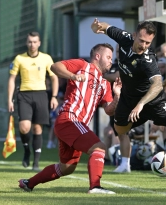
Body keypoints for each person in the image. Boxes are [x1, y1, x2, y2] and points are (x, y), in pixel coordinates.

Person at [18, 43, 121, 194]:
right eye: (108, 57)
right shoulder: (82, 65)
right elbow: (54, 67)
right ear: (97, 56)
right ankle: (95, 187)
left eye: (111, 58)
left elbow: (109, 111)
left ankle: (29, 183)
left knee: (66, 167)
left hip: (76, 125)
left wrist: (117, 95)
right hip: (70, 119)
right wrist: (73, 76)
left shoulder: (105, 84)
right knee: (99, 147)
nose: (111, 61)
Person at [8, 32, 59, 171]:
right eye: (30, 42)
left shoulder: (46, 58)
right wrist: (10, 100)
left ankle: (36, 163)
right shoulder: (19, 59)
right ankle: (26, 151)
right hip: (24, 95)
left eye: (35, 42)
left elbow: (54, 78)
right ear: (27, 42)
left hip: (41, 95)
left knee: (37, 128)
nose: (32, 44)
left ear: (39, 43)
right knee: (24, 127)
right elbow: (12, 79)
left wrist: (54, 96)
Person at [103, 44, 132, 173]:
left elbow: (116, 77)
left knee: (122, 133)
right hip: (115, 103)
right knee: (119, 134)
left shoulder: (129, 63)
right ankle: (123, 162)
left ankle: (124, 163)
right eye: (118, 51)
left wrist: (100, 76)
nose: (119, 53)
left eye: (122, 50)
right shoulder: (114, 64)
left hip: (126, 103)